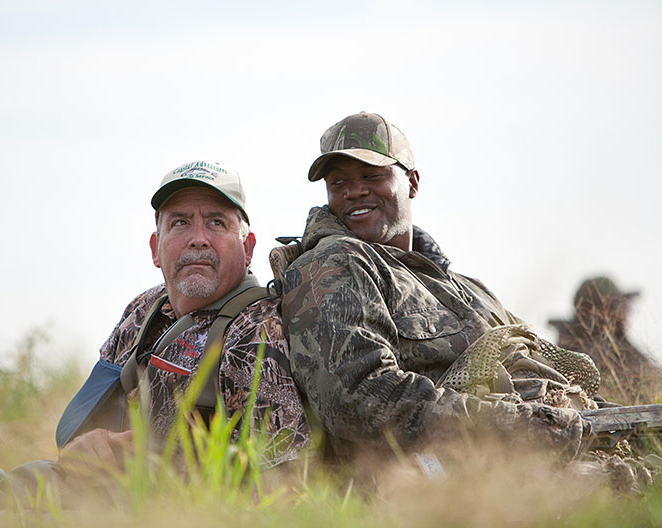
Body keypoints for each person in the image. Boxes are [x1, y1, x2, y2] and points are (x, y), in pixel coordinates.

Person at [0, 160, 309, 524]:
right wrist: (86, 448)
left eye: (216, 222)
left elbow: (283, 489)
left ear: (247, 247)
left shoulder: (255, 332)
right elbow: (87, 422)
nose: (198, 237)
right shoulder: (144, 310)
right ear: (156, 248)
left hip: (157, 511)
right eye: (180, 222)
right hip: (86, 487)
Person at [279, 112, 593, 461]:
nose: (354, 191)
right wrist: (510, 424)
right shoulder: (336, 263)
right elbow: (356, 397)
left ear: (412, 183)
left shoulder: (470, 290)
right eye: (338, 183)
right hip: (440, 476)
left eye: (372, 175)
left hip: (554, 447)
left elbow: (544, 363)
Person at [549, 276, 660, 404]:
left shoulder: (567, 349)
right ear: (587, 311)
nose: (624, 312)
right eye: (615, 305)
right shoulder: (600, 350)